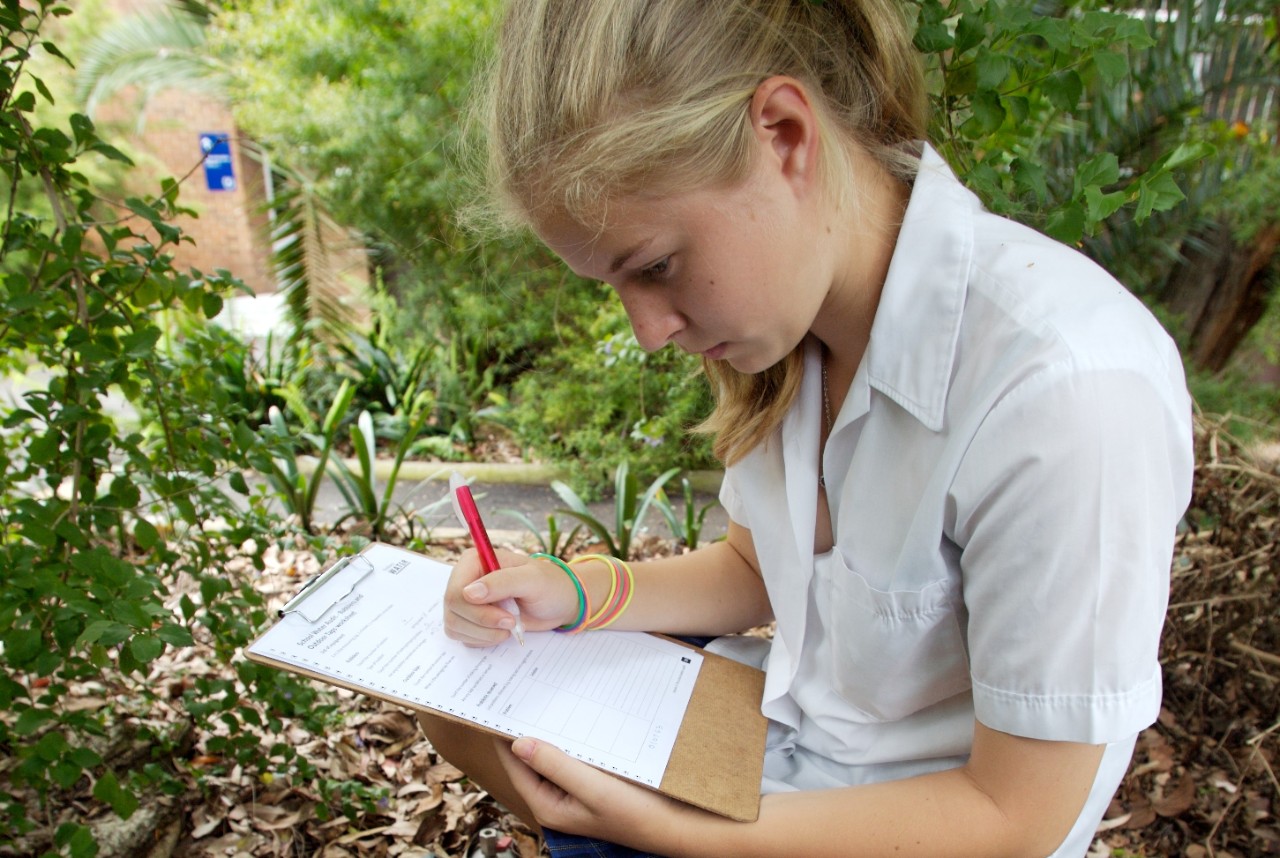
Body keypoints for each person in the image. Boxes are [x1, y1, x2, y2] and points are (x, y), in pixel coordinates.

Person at [417, 1, 1195, 856]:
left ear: (785, 134)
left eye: (656, 267)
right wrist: (572, 592)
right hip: (761, 764)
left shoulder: (1063, 390)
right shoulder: (797, 337)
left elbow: (1014, 817)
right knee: (447, 703)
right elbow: (754, 572)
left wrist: (668, 835)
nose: (647, 330)